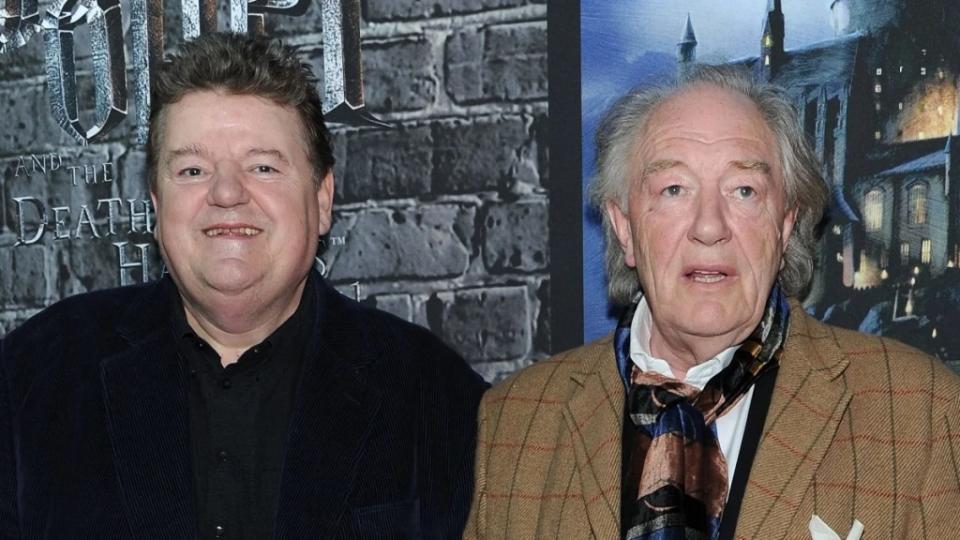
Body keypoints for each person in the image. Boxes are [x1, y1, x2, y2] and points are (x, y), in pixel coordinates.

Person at [0, 32, 486, 539]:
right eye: (192, 169)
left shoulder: (435, 396)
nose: (227, 193)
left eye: (263, 167)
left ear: (322, 199)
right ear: (156, 202)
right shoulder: (34, 376)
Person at [465, 64, 960, 539]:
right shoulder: (517, 420)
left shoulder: (920, 410)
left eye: (744, 190)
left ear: (786, 227)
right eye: (674, 188)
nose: (709, 226)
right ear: (624, 228)